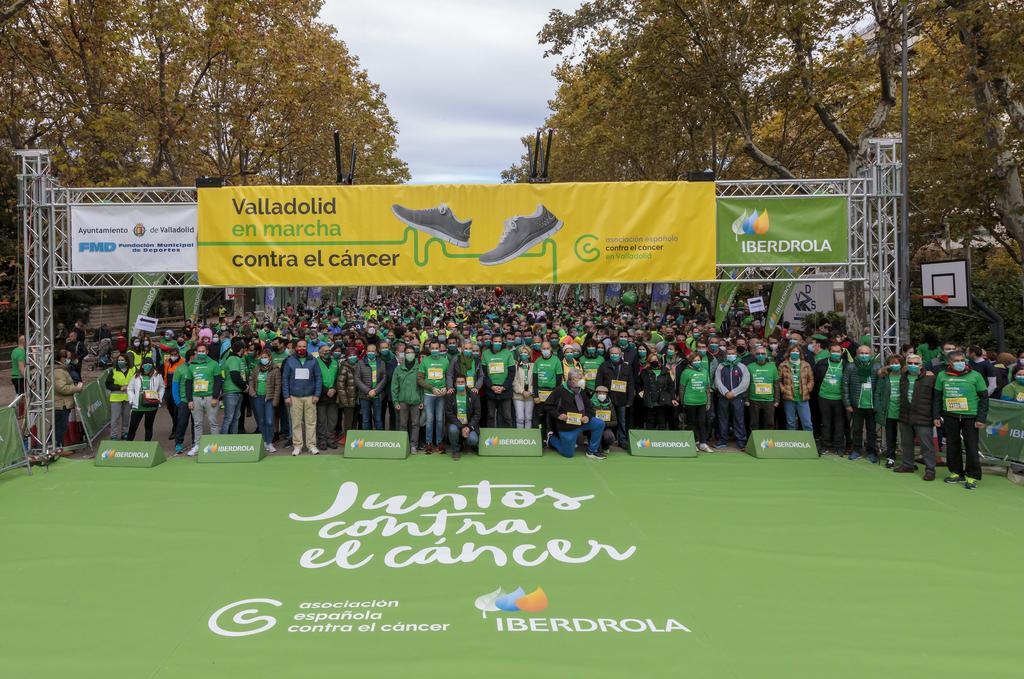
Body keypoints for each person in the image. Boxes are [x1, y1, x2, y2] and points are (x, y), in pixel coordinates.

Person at [933, 350, 989, 490]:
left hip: (971, 417)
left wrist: (981, 418)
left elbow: (984, 398)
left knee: (971, 446)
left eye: (961, 360)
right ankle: (956, 472)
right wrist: (935, 416)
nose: (960, 363)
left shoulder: (975, 376)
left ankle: (972, 475)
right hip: (950, 415)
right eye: (956, 361)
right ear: (949, 363)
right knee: (952, 445)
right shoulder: (941, 376)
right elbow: (937, 398)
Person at [544, 368, 606, 460]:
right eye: (579, 378)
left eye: (582, 377)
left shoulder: (582, 391)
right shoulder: (559, 390)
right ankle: (551, 439)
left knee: (600, 423)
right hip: (567, 426)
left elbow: (589, 407)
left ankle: (592, 451)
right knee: (568, 454)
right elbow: (548, 405)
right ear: (571, 379)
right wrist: (559, 415)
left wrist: (587, 417)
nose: (582, 380)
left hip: (581, 422)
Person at [893, 354, 937, 480]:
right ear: (906, 365)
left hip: (924, 416)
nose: (913, 365)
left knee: (926, 445)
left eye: (916, 363)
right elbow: (887, 370)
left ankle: (930, 470)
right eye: (910, 363)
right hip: (905, 415)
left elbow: (936, 399)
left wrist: (935, 416)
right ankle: (908, 465)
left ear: (921, 365)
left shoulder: (930, 378)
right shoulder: (902, 377)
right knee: (906, 443)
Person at [282, 339, 322, 456]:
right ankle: (297, 446)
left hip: (310, 396)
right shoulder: (290, 361)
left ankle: (311, 445)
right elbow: (285, 379)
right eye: (299, 346)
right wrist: (286, 395)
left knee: (311, 422)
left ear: (307, 347)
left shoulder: (313, 361)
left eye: (304, 346)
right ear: (295, 347)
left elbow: (318, 378)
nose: (301, 348)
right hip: (294, 396)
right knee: (296, 423)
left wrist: (317, 394)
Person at [184, 342, 221, 456]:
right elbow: (188, 383)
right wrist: (189, 400)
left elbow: (218, 382)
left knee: (213, 422)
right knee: (197, 423)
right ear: (196, 352)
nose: (201, 353)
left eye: (203, 351)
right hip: (196, 398)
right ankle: (197, 446)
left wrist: (215, 397)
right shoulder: (192, 365)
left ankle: (215, 447)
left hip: (210, 397)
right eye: (199, 351)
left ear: (207, 352)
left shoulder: (214, 364)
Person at [844, 345, 879, 462]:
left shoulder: (877, 367)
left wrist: (877, 403)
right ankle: (856, 450)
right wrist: (847, 403)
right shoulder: (851, 367)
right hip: (856, 404)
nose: (864, 355)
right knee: (856, 429)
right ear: (857, 354)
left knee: (872, 430)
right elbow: (845, 385)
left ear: (871, 354)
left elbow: (880, 387)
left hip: (871, 405)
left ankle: (871, 452)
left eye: (866, 353)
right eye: (861, 353)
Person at [596, 345, 632, 448]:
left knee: (622, 421)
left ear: (620, 355)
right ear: (609, 354)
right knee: (605, 420)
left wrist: (630, 399)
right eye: (612, 353)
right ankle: (603, 440)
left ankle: (622, 440)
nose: (614, 355)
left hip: (622, 399)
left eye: (616, 353)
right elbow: (599, 382)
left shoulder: (626, 367)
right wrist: (599, 396)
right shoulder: (603, 366)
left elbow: (630, 384)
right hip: (607, 399)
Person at [814, 344, 848, 454]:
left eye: (838, 351)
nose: (835, 353)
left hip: (839, 399)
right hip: (824, 397)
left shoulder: (846, 365)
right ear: (829, 352)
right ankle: (825, 445)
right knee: (825, 423)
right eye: (833, 351)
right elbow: (816, 379)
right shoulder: (821, 363)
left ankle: (838, 447)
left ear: (841, 352)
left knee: (839, 424)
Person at [714, 346, 749, 449]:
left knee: (739, 419)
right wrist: (725, 392)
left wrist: (733, 393)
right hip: (723, 397)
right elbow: (717, 381)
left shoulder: (742, 366)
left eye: (732, 354)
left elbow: (745, 383)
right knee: (722, 419)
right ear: (725, 355)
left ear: (736, 354)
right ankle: (722, 440)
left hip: (737, 397)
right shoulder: (721, 366)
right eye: (728, 354)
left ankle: (741, 441)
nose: (730, 355)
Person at [418, 340, 450, 453]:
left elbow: (448, 376)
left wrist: (446, 387)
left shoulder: (445, 361)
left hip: (441, 395)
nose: (435, 350)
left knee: (440, 419)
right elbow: (420, 379)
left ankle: (440, 442)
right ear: (430, 349)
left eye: (437, 348)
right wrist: (432, 388)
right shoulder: (425, 361)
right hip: (429, 394)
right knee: (429, 419)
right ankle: (428, 443)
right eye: (433, 348)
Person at [874, 354, 904, 469]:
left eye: (897, 363)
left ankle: (908, 460)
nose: (895, 365)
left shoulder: (906, 376)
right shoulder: (884, 376)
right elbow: (878, 393)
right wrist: (878, 407)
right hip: (889, 411)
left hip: (903, 411)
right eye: (892, 363)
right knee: (890, 436)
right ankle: (891, 458)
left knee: (906, 437)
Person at [391, 347, 423, 452]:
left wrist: (421, 400)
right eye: (407, 353)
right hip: (403, 401)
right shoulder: (398, 369)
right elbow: (394, 386)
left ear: (415, 354)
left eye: (411, 352)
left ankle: (414, 444)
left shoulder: (419, 368)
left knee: (415, 424)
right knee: (403, 424)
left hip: (415, 401)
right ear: (404, 354)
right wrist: (395, 401)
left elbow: (421, 386)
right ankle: (402, 444)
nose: (410, 354)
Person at [249, 349, 281, 453]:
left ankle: (269, 442)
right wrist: (252, 392)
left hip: (269, 399)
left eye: (265, 357)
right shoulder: (256, 368)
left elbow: (278, 386)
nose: (263, 359)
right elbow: (252, 381)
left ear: (270, 358)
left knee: (270, 421)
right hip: (258, 397)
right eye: (262, 357)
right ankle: (263, 441)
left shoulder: (275, 369)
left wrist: (275, 400)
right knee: (261, 421)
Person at [53, 350, 83, 456]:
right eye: (68, 358)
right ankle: (58, 449)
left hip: (63, 403)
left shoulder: (62, 370)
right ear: (62, 358)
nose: (69, 360)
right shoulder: (58, 372)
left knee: (59, 426)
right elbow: (62, 388)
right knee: (60, 427)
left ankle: (57, 448)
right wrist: (76, 388)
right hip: (60, 403)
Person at [678, 354, 711, 452]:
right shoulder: (686, 372)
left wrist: (708, 402)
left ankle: (703, 443)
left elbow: (708, 388)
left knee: (702, 422)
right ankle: (693, 441)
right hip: (689, 402)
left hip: (702, 401)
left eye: (698, 360)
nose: (697, 362)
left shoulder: (705, 372)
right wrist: (682, 401)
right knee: (692, 423)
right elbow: (681, 388)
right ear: (691, 362)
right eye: (695, 360)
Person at [126, 358, 164, 441]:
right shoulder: (136, 375)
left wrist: (159, 398)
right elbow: (130, 388)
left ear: (152, 365)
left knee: (148, 426)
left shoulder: (157, 375)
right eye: (145, 364)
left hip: (152, 405)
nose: (147, 365)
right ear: (142, 365)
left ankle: (147, 445)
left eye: (149, 364)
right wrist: (132, 399)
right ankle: (128, 444)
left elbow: (162, 387)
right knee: (133, 426)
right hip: (138, 406)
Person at [482, 335, 516, 427]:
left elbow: (512, 373)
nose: (497, 343)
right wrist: (491, 386)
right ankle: (490, 437)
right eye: (495, 341)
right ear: (492, 342)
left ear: (502, 343)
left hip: (505, 389)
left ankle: (508, 437)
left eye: (499, 342)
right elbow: (483, 374)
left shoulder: (508, 353)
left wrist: (504, 387)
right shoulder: (485, 354)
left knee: (507, 416)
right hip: (490, 389)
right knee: (491, 415)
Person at [445, 375, 480, 460]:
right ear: (455, 384)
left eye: (462, 382)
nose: (460, 384)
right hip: (456, 425)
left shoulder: (473, 395)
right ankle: (456, 450)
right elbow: (449, 414)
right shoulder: (450, 396)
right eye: (458, 382)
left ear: (466, 383)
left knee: (473, 440)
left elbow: (477, 414)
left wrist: (468, 427)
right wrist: (462, 427)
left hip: (469, 425)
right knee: (452, 430)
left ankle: (466, 444)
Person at [638, 352, 676, 429]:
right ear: (649, 362)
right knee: (649, 421)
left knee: (662, 421)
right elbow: (639, 384)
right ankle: (649, 440)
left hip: (662, 401)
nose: (654, 361)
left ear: (658, 360)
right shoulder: (644, 372)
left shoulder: (666, 371)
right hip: (650, 400)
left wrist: (672, 398)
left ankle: (660, 439)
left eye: (655, 359)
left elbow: (671, 386)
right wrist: (640, 391)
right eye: (652, 360)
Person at [745, 346, 779, 432]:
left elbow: (776, 384)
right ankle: (754, 442)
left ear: (766, 355)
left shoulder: (772, 367)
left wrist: (777, 400)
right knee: (754, 423)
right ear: (755, 355)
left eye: (763, 354)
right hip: (754, 400)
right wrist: (746, 399)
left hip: (769, 400)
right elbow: (746, 384)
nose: (760, 355)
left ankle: (768, 442)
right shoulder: (750, 367)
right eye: (758, 354)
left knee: (770, 423)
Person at [780, 347, 814, 432]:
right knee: (791, 423)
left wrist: (809, 387)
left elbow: (811, 379)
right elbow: (778, 380)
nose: (795, 353)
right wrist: (783, 389)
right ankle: (792, 442)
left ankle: (808, 441)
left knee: (807, 423)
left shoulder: (806, 365)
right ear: (789, 352)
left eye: (797, 351)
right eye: (793, 351)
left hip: (802, 398)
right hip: (789, 398)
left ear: (800, 353)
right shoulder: (783, 365)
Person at [219, 339, 248, 435]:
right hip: (231, 392)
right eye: (244, 349)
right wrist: (245, 387)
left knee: (236, 417)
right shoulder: (233, 359)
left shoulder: (238, 359)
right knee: (229, 418)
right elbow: (235, 376)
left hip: (237, 391)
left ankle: (233, 440)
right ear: (241, 349)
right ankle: (222, 441)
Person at [314, 345, 340, 449]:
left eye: (329, 351)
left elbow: (339, 377)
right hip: (321, 395)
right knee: (321, 420)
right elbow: (315, 378)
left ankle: (330, 439)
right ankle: (322, 440)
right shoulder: (315, 362)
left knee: (333, 419)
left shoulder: (335, 362)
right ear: (319, 353)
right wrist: (326, 390)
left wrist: (334, 388)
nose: (328, 353)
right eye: (325, 351)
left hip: (333, 395)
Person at [106, 352, 135, 441]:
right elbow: (108, 384)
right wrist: (119, 387)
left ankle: (125, 433)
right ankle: (113, 435)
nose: (120, 362)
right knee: (115, 417)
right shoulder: (113, 371)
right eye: (119, 360)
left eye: (122, 360)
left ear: (126, 361)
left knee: (126, 417)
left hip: (128, 397)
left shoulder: (132, 370)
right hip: (116, 397)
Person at [171, 349, 194, 455]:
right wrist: (178, 402)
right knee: (182, 423)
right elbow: (175, 387)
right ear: (191, 357)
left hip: (196, 400)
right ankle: (178, 443)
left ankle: (195, 443)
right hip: (184, 402)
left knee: (196, 423)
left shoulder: (198, 368)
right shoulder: (180, 369)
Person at [162, 345, 186, 440]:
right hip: (168, 388)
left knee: (177, 410)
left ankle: (175, 430)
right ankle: (176, 423)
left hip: (178, 388)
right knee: (170, 409)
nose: (173, 356)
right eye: (171, 354)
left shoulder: (183, 362)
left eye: (175, 354)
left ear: (178, 354)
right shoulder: (166, 362)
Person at [336, 351, 358, 443]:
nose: (352, 357)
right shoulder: (344, 367)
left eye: (354, 355)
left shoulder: (358, 365)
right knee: (348, 420)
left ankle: (353, 437)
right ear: (347, 357)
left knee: (354, 419)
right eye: (350, 355)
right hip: (347, 398)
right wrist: (344, 400)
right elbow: (340, 386)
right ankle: (347, 438)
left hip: (357, 397)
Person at [512, 345, 535, 429]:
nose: (523, 354)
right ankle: (520, 436)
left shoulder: (534, 366)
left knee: (528, 418)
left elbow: (535, 380)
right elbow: (514, 381)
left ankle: (527, 436)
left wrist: (530, 391)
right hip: (518, 396)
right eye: (521, 353)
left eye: (525, 352)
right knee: (520, 418)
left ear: (529, 355)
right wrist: (522, 391)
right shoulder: (516, 366)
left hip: (530, 396)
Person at [591, 385, 617, 451]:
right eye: (600, 393)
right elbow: (588, 418)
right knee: (596, 448)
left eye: (604, 393)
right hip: (594, 428)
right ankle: (594, 445)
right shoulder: (591, 403)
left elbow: (615, 421)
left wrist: (605, 424)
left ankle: (605, 447)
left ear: (606, 394)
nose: (602, 395)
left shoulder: (610, 405)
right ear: (596, 394)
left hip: (606, 427)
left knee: (609, 437)